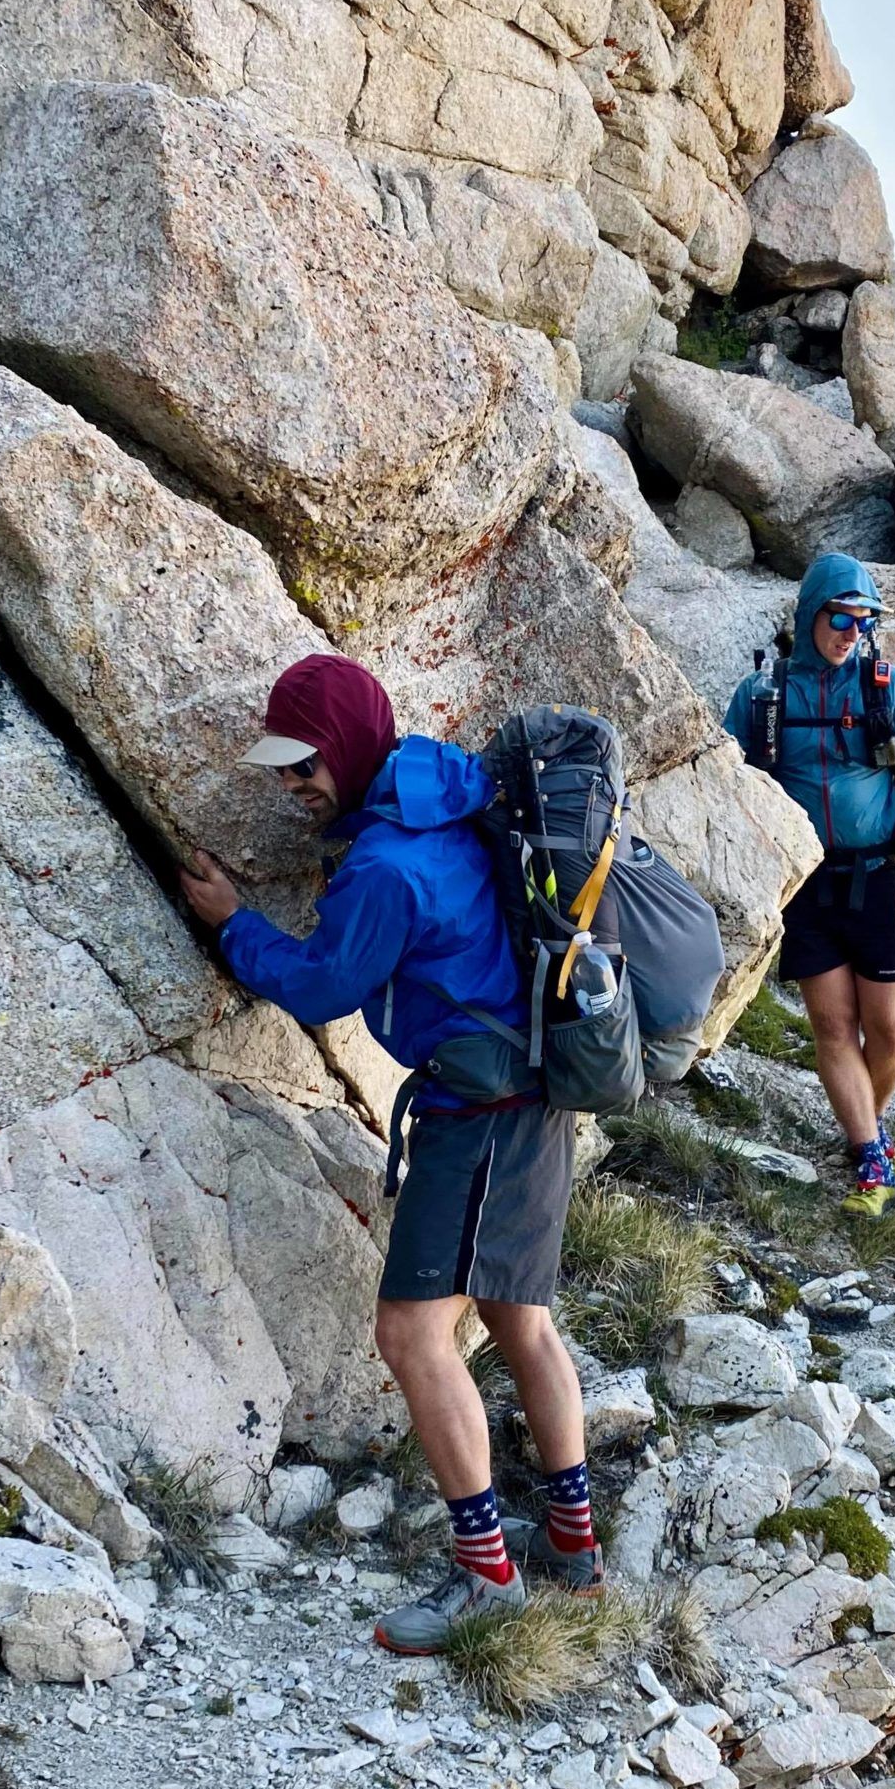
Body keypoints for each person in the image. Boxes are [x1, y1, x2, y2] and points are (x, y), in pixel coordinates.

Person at [178, 652, 601, 1656]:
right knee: (518, 1319)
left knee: (412, 1336)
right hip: (535, 1088)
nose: (292, 786)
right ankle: (575, 1553)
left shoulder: (384, 865)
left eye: (304, 764)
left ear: (350, 747)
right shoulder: (437, 788)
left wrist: (234, 921)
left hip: (475, 1113)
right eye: (284, 768)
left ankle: (487, 1574)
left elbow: (323, 986)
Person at [725, 552, 895, 1216]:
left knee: (888, 1032)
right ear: (810, 614)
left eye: (863, 619)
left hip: (881, 877)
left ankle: (866, 1136)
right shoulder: (762, 697)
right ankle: (871, 1159)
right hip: (808, 887)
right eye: (840, 617)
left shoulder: (885, 689)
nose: (851, 631)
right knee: (831, 1023)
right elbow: (732, 781)